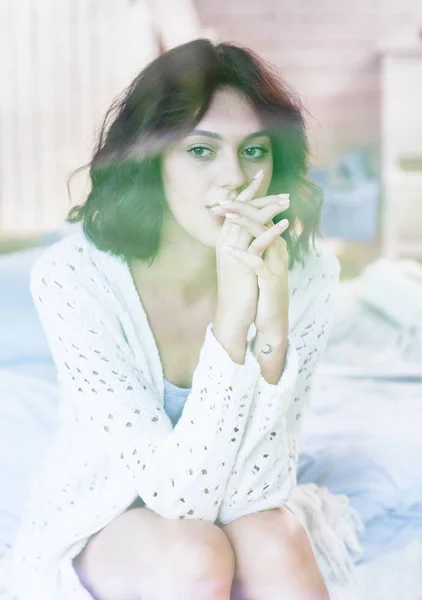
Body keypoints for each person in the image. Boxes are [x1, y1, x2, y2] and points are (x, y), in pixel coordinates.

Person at [3, 39, 364, 600]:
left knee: (277, 538)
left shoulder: (308, 272)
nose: (234, 178)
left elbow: (259, 490)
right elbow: (182, 502)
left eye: (255, 151)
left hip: (241, 500)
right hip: (109, 506)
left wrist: (270, 327)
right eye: (200, 151)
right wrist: (233, 311)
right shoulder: (74, 276)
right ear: (153, 161)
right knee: (195, 554)